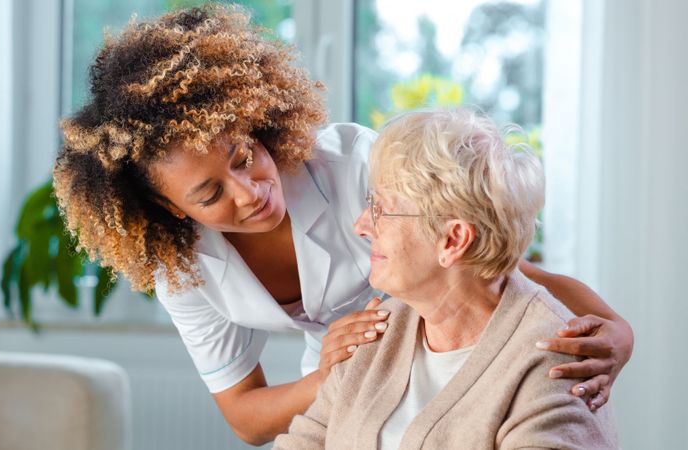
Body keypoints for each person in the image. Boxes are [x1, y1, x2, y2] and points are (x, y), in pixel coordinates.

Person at [52, 4, 632, 445]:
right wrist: (331, 372)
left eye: (244, 156)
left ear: (253, 121)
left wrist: (616, 330)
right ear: (174, 211)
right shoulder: (183, 266)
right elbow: (247, 415)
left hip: (442, 341)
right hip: (355, 370)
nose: (251, 192)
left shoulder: (353, 166)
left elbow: (494, 262)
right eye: (210, 194)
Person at [274, 108, 618, 449]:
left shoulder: (552, 365)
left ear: (452, 240)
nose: (361, 225)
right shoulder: (377, 330)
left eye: (381, 208)